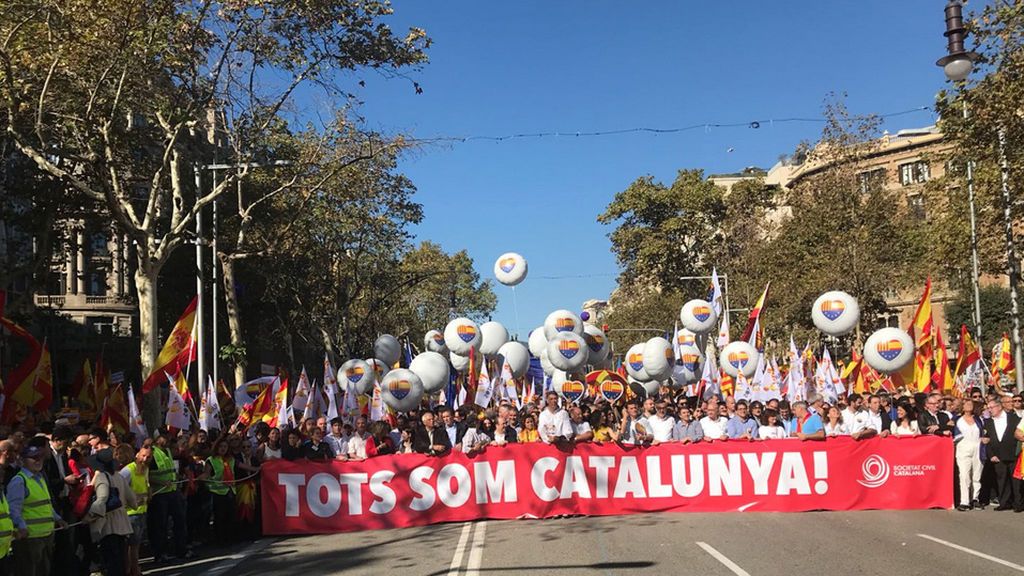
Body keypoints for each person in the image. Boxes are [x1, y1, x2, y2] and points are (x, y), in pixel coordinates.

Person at [8, 445, 64, 576]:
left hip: (46, 535)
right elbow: (13, 510)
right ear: (22, 460)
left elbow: (47, 505)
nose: (38, 461)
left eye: (40, 457)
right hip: (30, 538)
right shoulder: (19, 481)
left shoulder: (40, 478)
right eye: (33, 458)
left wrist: (58, 519)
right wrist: (22, 527)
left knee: (43, 571)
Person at [86, 448, 137, 576]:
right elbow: (132, 498)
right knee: (120, 558)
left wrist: (90, 515)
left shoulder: (102, 477)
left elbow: (102, 498)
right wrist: (135, 505)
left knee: (111, 560)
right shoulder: (118, 476)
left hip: (108, 524)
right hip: (123, 523)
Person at [982, 398, 1023, 511]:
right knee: (1002, 480)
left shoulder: (1014, 418)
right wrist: (991, 455)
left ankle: (1018, 503)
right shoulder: (988, 422)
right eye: (988, 408)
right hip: (998, 455)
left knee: (1016, 481)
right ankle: (1004, 502)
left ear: (999, 406)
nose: (989, 410)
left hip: (1014, 453)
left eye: (991, 407)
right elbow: (987, 441)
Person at [954, 399, 985, 511]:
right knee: (964, 474)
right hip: (963, 448)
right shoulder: (957, 419)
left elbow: (983, 432)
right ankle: (964, 501)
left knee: (977, 475)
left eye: (971, 404)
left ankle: (975, 498)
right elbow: (950, 430)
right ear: (962, 407)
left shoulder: (978, 420)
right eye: (966, 404)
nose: (969, 405)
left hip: (978, 447)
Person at [206, 438, 236, 544]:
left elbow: (241, 466)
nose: (223, 449)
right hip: (217, 492)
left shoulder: (231, 459)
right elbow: (207, 474)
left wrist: (256, 469)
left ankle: (230, 538)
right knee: (219, 517)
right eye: (221, 446)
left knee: (231, 515)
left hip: (230, 491)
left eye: (225, 447)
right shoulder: (211, 459)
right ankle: (220, 539)